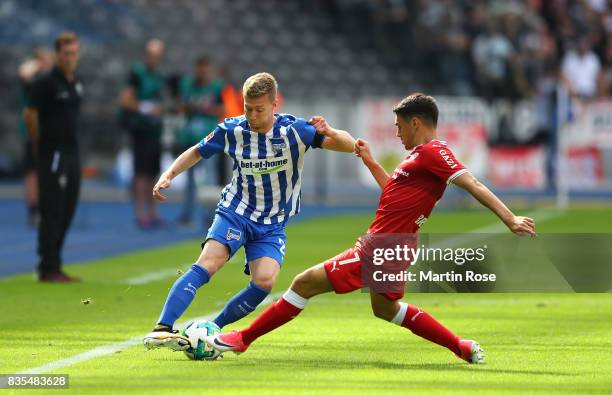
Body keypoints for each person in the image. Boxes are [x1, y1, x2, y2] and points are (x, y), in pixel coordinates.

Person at [206, 93, 536, 364]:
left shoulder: (434, 151)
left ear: (416, 122)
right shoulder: (417, 157)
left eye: (399, 126)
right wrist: (370, 159)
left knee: (303, 283)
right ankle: (459, 346)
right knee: (385, 308)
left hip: (382, 247)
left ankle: (242, 339)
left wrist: (510, 218)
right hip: (396, 246)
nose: (396, 133)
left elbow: (472, 182)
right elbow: (394, 192)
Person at [143, 72, 356, 350]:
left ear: (274, 104)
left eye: (259, 110)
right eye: (248, 109)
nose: (252, 116)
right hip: (236, 211)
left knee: (265, 282)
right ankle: (162, 328)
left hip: (273, 223)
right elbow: (197, 150)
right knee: (209, 263)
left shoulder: (296, 131)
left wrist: (331, 132)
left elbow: (351, 145)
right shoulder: (232, 130)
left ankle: (213, 330)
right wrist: (168, 175)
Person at [23, 32, 83, 283]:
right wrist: (40, 143)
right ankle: (47, 266)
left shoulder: (76, 82)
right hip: (54, 153)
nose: (70, 58)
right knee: (52, 210)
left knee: (68, 208)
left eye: (74, 53)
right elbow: (30, 114)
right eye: (66, 53)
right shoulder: (45, 82)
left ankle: (55, 263)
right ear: (57, 54)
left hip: (72, 152)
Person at [119, 39, 165, 229]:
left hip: (154, 130)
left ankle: (153, 213)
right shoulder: (137, 74)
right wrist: (145, 108)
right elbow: (125, 100)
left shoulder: (159, 75)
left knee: (153, 173)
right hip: (140, 129)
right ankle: (140, 214)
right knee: (140, 173)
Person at [175, 56, 225, 226]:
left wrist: (204, 108)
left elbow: (221, 109)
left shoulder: (216, 87)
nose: (203, 71)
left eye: (206, 68)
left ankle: (210, 216)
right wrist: (192, 107)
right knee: (189, 180)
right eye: (200, 68)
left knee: (209, 180)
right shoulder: (188, 85)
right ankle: (187, 214)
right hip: (189, 138)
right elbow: (180, 106)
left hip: (209, 139)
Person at [18, 48, 54, 227]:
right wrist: (36, 64)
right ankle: (34, 210)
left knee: (47, 173)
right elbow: (24, 72)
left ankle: (46, 208)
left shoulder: (52, 81)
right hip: (33, 134)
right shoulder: (32, 81)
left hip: (51, 133)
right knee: (33, 173)